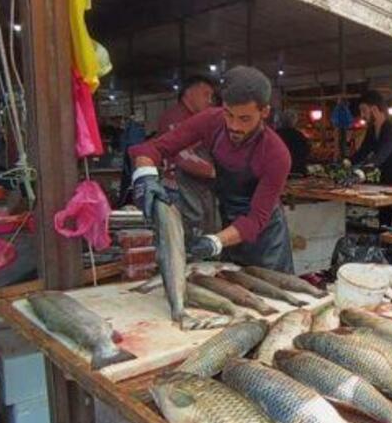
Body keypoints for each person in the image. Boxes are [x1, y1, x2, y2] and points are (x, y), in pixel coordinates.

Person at [130, 66, 294, 273]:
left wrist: (214, 242)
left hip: (266, 241)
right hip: (229, 228)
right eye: (229, 114)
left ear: (264, 112)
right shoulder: (211, 120)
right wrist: (145, 177)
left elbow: (255, 220)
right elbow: (154, 147)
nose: (234, 126)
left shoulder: (276, 154)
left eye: (244, 119)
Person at [155, 75, 219, 236]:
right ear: (189, 93)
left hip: (198, 189)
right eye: (205, 94)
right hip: (180, 190)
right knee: (189, 239)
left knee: (204, 235)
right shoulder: (175, 118)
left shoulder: (197, 119)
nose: (209, 100)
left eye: (211, 96)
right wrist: (216, 172)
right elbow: (182, 156)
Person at [350, 90, 392, 228]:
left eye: (364, 110)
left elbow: (380, 156)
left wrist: (359, 173)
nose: (362, 115)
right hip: (383, 183)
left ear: (375, 109)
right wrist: (346, 163)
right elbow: (363, 151)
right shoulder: (372, 129)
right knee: (383, 223)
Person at [275, 110, 310, 176]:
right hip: (297, 170)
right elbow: (306, 151)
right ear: (294, 121)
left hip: (278, 171)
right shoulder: (299, 136)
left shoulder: (274, 135)